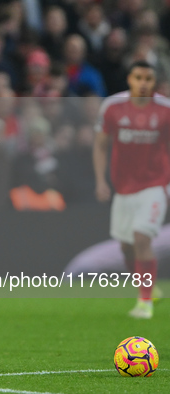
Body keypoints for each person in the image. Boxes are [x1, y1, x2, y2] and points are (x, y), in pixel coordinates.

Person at [93, 60, 170, 319]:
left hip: (155, 184)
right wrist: (101, 180)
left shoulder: (165, 110)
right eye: (138, 78)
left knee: (141, 239)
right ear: (129, 79)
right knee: (126, 247)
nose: (143, 83)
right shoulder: (113, 107)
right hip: (124, 188)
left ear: (154, 82)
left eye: (148, 79)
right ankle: (148, 288)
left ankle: (144, 302)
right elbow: (101, 145)